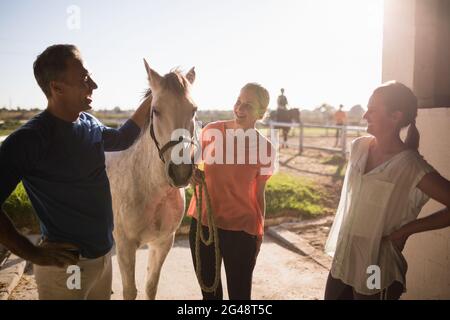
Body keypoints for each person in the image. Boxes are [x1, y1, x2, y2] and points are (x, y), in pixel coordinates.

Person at [0, 44, 151, 300]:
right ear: (56, 88)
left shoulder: (89, 123)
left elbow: (124, 138)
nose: (93, 85)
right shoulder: (29, 139)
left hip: (103, 258)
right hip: (67, 267)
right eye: (83, 79)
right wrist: (31, 253)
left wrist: (154, 97)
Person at [324, 81, 450, 300]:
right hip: (344, 260)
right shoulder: (359, 147)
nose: (365, 116)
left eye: (372, 110)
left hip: (376, 267)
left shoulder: (411, 166)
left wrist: (406, 230)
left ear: (395, 116)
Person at [187, 83, 276, 300]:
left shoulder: (266, 148)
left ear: (261, 113)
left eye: (249, 105)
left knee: (240, 296)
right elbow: (191, 167)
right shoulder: (212, 131)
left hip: (242, 232)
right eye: (238, 101)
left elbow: (259, 194)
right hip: (204, 226)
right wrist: (192, 175)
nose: (240, 108)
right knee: (209, 295)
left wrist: (259, 232)